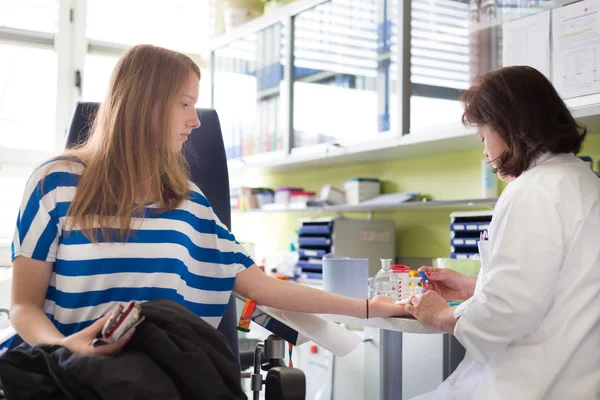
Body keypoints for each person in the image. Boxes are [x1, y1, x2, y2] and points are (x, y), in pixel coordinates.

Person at [5, 44, 406, 357]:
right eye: (185, 103)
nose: (195, 121)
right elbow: (24, 307)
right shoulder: (54, 183)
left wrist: (368, 307)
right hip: (65, 370)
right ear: (145, 105)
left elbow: (262, 287)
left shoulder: (186, 201)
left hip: (157, 374)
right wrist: (66, 347)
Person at [405, 66, 600, 399]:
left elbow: (505, 313)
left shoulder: (533, 190)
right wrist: (473, 286)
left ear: (508, 126)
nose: (484, 152)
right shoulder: (585, 181)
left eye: (483, 136)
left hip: (529, 384)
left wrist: (440, 315)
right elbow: (555, 285)